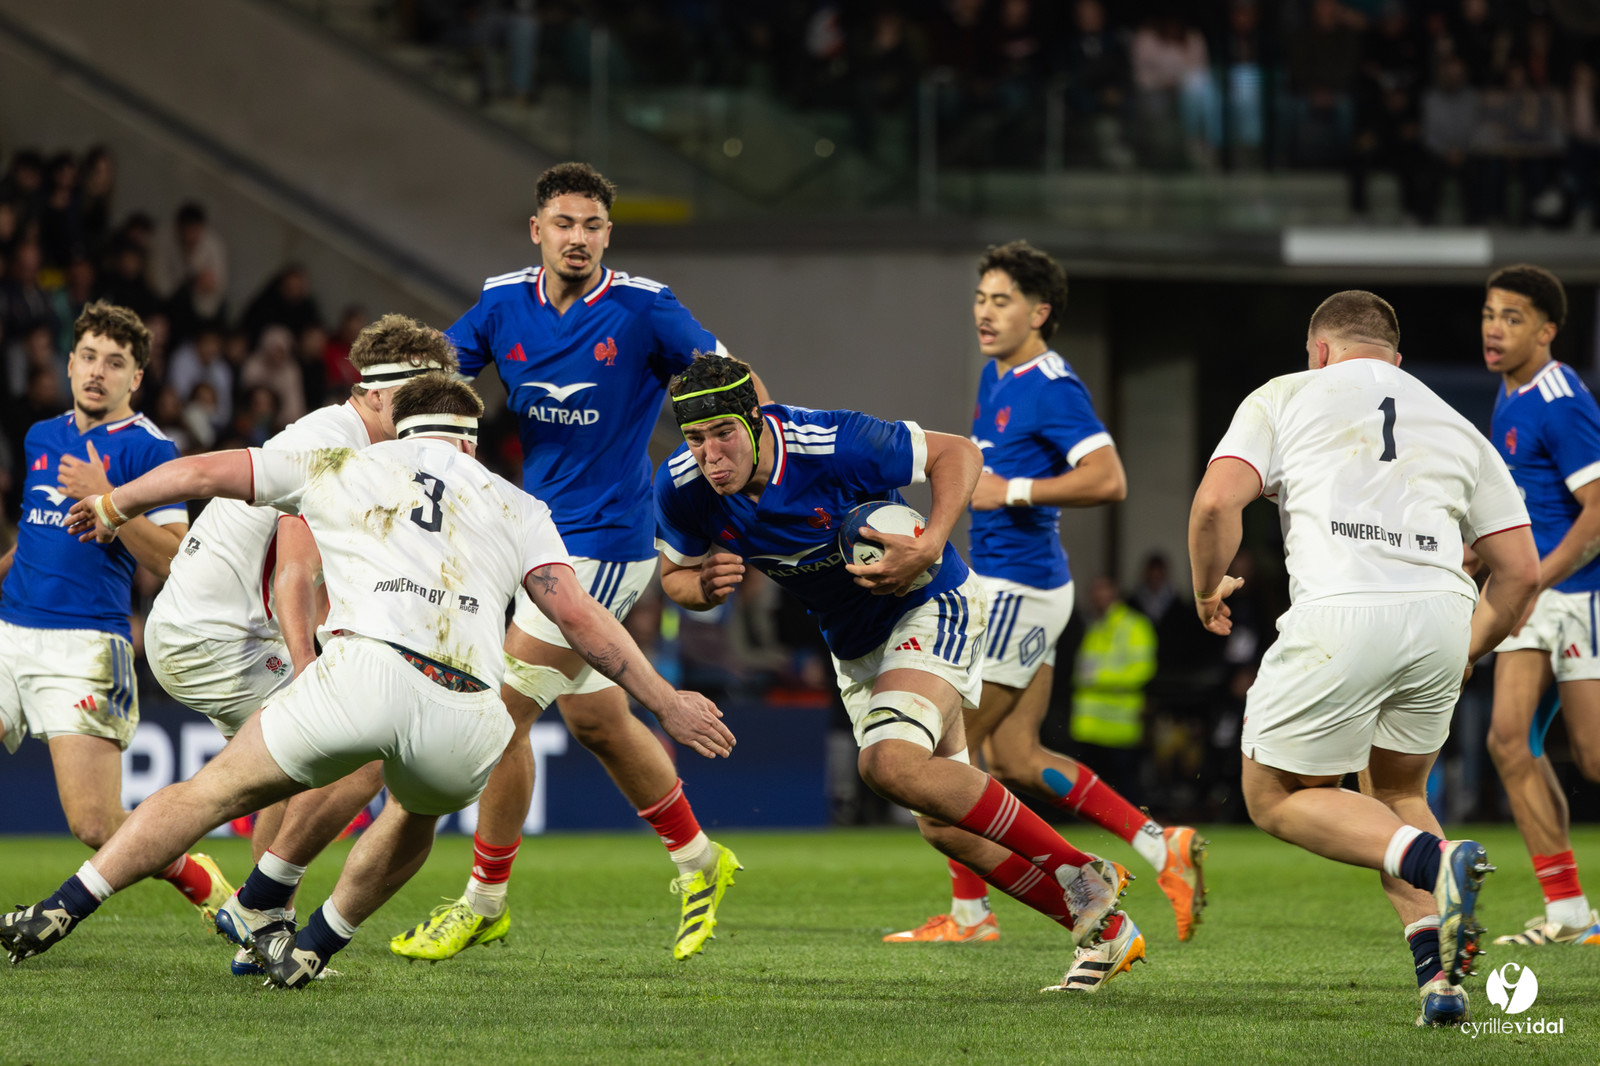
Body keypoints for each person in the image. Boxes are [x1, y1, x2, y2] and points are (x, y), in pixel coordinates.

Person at [1, 373, 735, 987]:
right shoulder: (521, 506)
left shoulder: (342, 463)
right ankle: (314, 946)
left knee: (214, 791)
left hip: (363, 673)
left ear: (401, 428)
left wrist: (113, 502)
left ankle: (68, 903)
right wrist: (665, 701)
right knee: (415, 813)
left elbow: (199, 472)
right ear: (470, 441)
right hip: (471, 711)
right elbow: (581, 619)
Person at [655, 354, 1145, 993]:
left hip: (929, 601)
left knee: (887, 764)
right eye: (695, 438)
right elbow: (675, 579)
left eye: (723, 433)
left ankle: (1081, 870)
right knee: (944, 824)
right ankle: (1104, 931)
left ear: (756, 417)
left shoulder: (831, 441)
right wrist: (704, 588)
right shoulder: (683, 486)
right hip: (855, 648)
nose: (710, 454)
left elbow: (959, 454)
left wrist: (932, 539)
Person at [389, 162, 759, 963]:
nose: (579, 238)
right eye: (564, 223)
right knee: (596, 719)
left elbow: (738, 388)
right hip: (534, 541)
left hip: (605, 546)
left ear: (607, 235)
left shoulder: (646, 310)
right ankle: (701, 861)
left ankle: (483, 901)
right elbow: (425, 385)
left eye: (593, 225)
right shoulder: (501, 303)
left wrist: (739, 501)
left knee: (495, 718)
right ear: (538, 230)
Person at [1189, 289, 1540, 1027]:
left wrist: (1205, 590)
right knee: (1397, 797)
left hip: (1342, 612)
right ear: (1396, 360)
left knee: (1274, 794)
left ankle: (1437, 866)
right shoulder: (1453, 421)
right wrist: (1471, 646)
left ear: (1320, 351)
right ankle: (1439, 984)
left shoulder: (1286, 394)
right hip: (1443, 616)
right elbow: (1520, 572)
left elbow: (1217, 504)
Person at [886, 241, 1205, 948]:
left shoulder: (1050, 384)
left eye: (1001, 301)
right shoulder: (1000, 376)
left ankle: (977, 915)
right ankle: (1160, 847)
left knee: (942, 762)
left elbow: (1109, 478)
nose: (985, 313)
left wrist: (1014, 490)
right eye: (980, 299)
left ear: (1041, 312)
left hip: (1013, 595)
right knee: (1017, 757)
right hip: (1025, 588)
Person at [143, 313, 457, 977]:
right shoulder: (336, 446)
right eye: (420, 391)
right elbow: (294, 570)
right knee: (359, 752)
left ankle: (260, 924)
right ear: (375, 389)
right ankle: (251, 906)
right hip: (218, 635)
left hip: (211, 624)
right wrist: (313, 673)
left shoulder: (345, 437)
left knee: (294, 771)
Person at [0, 301, 231, 918]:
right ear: (70, 363)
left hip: (83, 648)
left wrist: (109, 500)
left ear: (137, 379)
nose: (99, 372)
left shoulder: (153, 451)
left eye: (117, 362)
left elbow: (175, 560)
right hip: (8, 631)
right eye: (90, 357)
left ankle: (194, 874)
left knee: (97, 826)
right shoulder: (41, 437)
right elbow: (35, 537)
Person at [1478, 265, 1600, 949]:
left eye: (1513, 316)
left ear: (1546, 330)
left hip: (1579, 596)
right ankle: (1571, 911)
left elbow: (1597, 513)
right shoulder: (1509, 395)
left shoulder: (1560, 399)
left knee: (1593, 758)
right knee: (1507, 738)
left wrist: (1535, 581)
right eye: (1490, 313)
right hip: (1536, 594)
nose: (1495, 327)